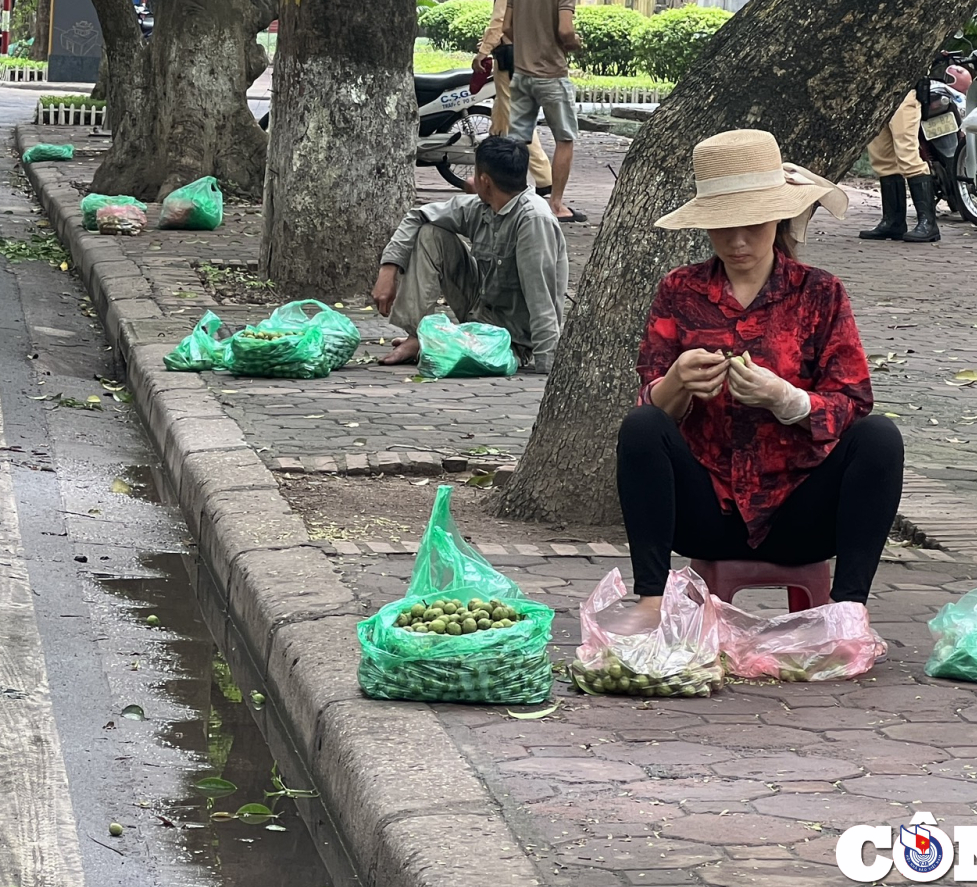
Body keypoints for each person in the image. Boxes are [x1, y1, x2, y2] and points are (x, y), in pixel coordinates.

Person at [618, 129, 902, 617]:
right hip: (707, 510)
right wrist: (677, 384)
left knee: (879, 438)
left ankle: (849, 609)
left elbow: (854, 402)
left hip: (801, 512)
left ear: (778, 216)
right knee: (640, 426)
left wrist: (788, 400)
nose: (738, 240)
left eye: (751, 223)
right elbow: (652, 406)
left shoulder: (820, 292)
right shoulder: (679, 290)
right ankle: (648, 599)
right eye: (723, 227)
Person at [371, 134, 568, 373]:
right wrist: (388, 270)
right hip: (480, 313)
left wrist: (548, 369)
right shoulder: (482, 207)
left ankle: (450, 344)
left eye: (475, 174)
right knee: (430, 232)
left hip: (511, 338)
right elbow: (418, 215)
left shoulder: (532, 220)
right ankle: (418, 337)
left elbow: (542, 299)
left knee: (450, 356)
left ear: (485, 181)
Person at [503, 0, 585, 222]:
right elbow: (565, 30)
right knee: (564, 138)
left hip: (521, 74)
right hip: (551, 74)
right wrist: (574, 43)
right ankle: (556, 204)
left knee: (518, 139)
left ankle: (512, 198)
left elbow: (508, 27)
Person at [471, 0, 553, 195]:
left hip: (512, 57)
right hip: (539, 58)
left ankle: (545, 181)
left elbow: (499, 19)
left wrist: (482, 52)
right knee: (501, 117)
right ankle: (490, 169)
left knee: (518, 117)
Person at [857, 90, 938, 243]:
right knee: (882, 159)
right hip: (875, 93)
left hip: (904, 92)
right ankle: (893, 222)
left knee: (907, 155)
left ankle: (928, 223)